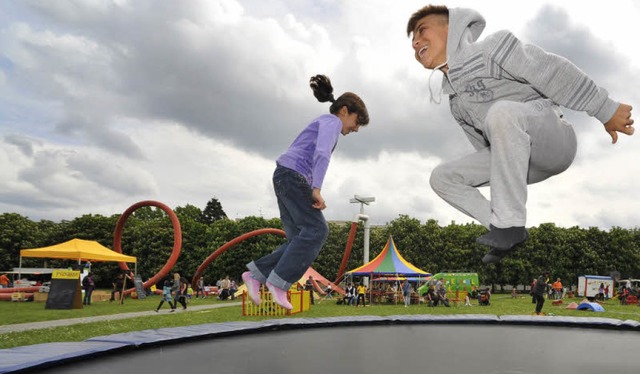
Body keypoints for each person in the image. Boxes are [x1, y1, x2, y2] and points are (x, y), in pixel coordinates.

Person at [406, 5, 634, 265]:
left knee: (501, 112)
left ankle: (509, 224)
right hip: (523, 163)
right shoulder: (456, 102)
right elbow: (487, 146)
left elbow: (551, 70)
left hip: (554, 139)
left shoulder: (492, 47)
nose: (415, 42)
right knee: (442, 177)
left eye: (422, 31)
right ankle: (501, 228)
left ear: (452, 27)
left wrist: (605, 109)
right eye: (412, 40)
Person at [242, 74, 370, 310]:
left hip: (283, 176)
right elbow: (321, 154)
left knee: (296, 240)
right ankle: (279, 283)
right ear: (344, 111)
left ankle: (256, 275)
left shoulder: (322, 121)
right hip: (292, 177)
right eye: (357, 121)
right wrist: (316, 189)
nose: (356, 129)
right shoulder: (331, 123)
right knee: (318, 229)